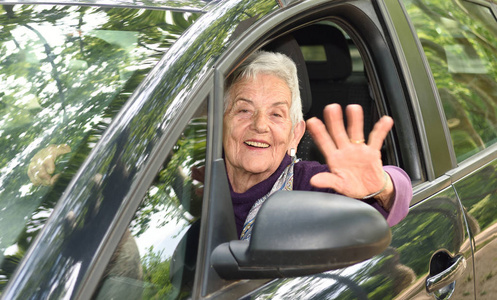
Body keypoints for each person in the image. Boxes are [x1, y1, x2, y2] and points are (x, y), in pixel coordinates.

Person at [223, 51, 412, 240]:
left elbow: (397, 194)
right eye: (244, 110)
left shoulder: (310, 185)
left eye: (276, 114)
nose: (260, 125)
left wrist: (382, 187)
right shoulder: (200, 181)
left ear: (295, 135)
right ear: (220, 123)